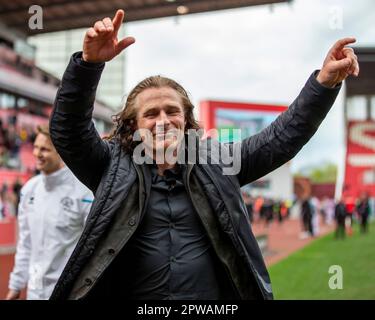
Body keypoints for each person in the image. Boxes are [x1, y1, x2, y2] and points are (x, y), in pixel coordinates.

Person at [48, 10, 359, 300]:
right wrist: (88, 65)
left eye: (171, 111)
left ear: (186, 121)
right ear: (133, 125)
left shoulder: (219, 163)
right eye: (151, 114)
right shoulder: (109, 166)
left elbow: (281, 139)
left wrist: (324, 84)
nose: (162, 121)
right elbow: (69, 131)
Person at [5, 124, 93, 300]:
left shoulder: (84, 192)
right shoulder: (30, 189)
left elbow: (91, 248)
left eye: (44, 149)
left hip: (70, 293)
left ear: (61, 152)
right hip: (35, 292)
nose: (37, 154)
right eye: (36, 147)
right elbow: (26, 243)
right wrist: (16, 285)